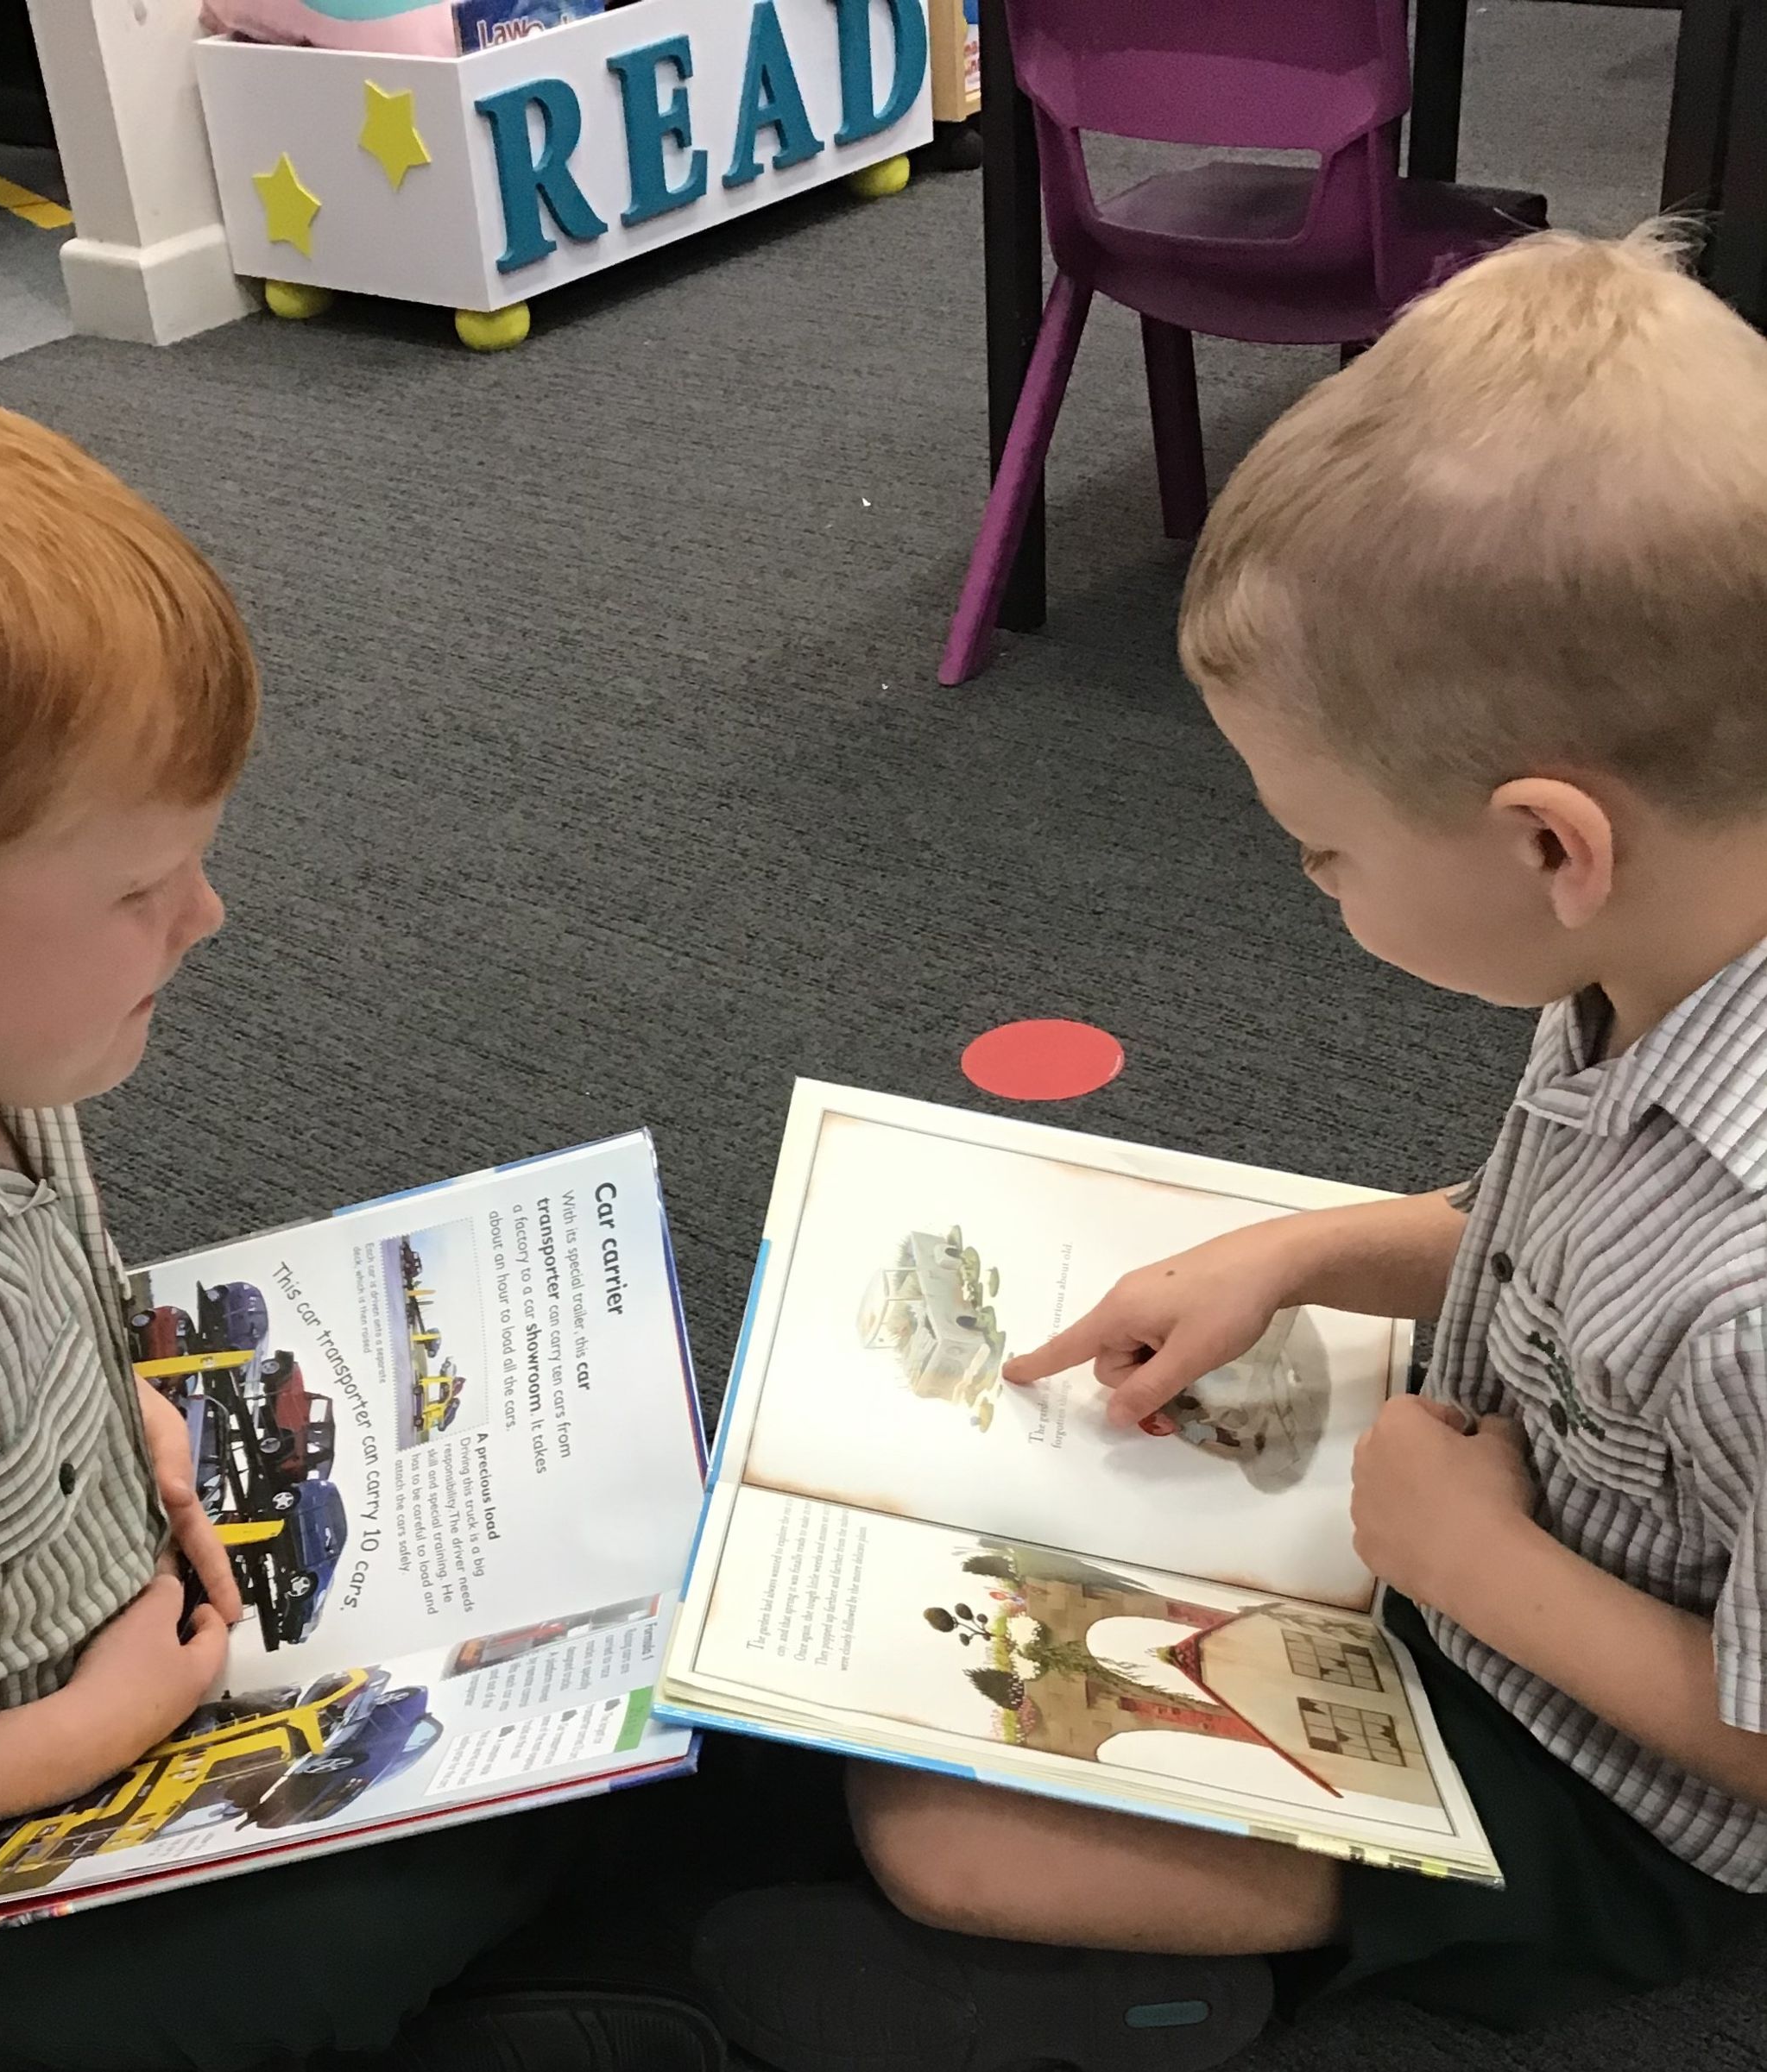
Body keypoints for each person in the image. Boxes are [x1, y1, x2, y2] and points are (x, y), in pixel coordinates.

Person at [694, 225, 1767, 2069]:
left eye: (1322, 849)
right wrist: (1294, 1255)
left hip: (1605, 1793)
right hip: (1466, 1527)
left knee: (946, 1829)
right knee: (891, 1704)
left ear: (1548, 845)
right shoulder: (1650, 959)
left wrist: (1471, 1564)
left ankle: (1208, 1992)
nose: (1308, 881)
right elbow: (1554, 1235)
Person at [0, 353, 732, 2072]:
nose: (204, 916)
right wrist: (88, 1729)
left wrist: (104, 1407)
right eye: (142, 885)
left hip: (23, 1617)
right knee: (471, 1833)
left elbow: (14, 1296)